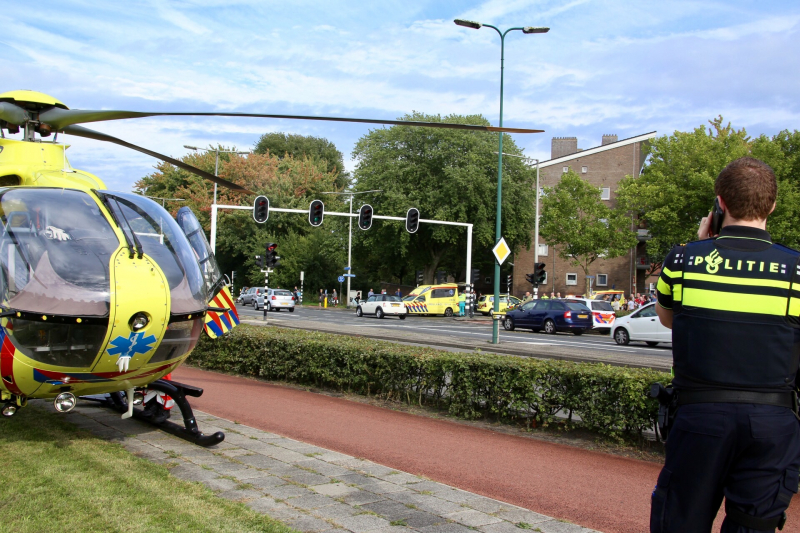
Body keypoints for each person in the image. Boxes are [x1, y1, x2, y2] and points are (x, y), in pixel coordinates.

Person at [651, 157, 800, 532]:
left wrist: (704, 246)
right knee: (754, 525)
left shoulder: (683, 259)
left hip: (700, 418)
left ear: (720, 203)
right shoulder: (796, 270)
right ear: (772, 205)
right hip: (772, 423)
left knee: (680, 519)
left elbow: (669, 319)